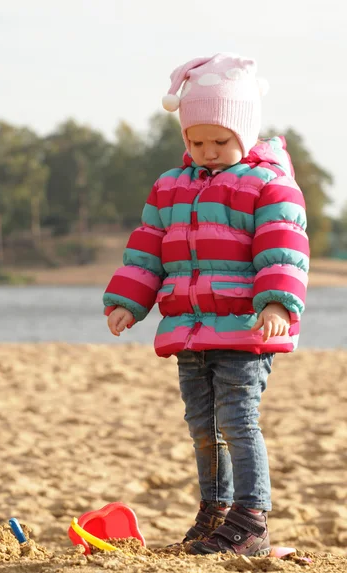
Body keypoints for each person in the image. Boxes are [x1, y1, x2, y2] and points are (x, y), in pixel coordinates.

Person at [103, 53, 309, 557]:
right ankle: (214, 512)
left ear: (245, 132)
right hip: (189, 328)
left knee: (237, 419)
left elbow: (283, 247)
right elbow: (148, 247)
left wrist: (278, 305)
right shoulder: (171, 187)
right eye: (196, 141)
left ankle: (251, 518)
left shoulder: (267, 184)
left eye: (220, 141)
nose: (208, 151)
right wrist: (130, 300)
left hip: (244, 329)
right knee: (202, 426)